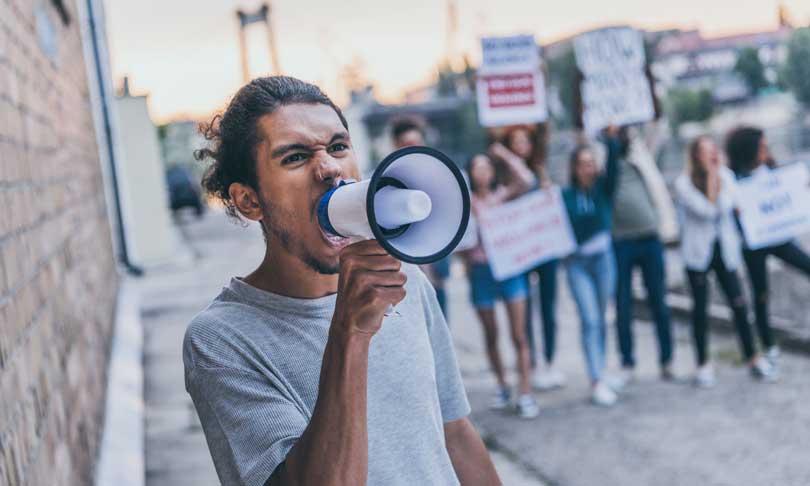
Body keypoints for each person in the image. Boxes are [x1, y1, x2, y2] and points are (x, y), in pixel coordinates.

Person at [183, 76, 499, 485]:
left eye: (337, 147)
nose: (329, 168)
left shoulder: (407, 283)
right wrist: (350, 332)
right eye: (295, 157)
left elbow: (454, 433)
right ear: (250, 200)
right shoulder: (221, 340)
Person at [675, 135, 777, 387]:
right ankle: (703, 364)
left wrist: (719, 178)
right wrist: (712, 177)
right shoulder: (684, 183)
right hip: (698, 254)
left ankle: (752, 357)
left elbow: (736, 204)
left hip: (725, 251)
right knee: (700, 310)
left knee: (739, 305)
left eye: (713, 150)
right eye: (705, 151)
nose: (711, 155)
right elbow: (710, 210)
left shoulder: (727, 177)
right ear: (695, 156)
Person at [462, 144, 539, 419]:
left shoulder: (504, 196)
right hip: (481, 272)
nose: (482, 172)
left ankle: (526, 392)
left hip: (510, 270)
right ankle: (503, 385)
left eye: (486, 166)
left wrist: (503, 153)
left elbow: (528, 180)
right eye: (476, 168)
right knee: (491, 333)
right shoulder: (466, 202)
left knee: (519, 335)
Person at [726, 126, 810, 368]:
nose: (765, 150)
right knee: (760, 294)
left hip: (779, 237)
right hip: (754, 244)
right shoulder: (735, 179)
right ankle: (768, 344)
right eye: (761, 147)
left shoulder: (771, 170)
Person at [603, 124, 677, 385]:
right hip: (621, 242)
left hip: (649, 238)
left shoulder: (642, 154)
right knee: (623, 304)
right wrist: (610, 142)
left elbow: (657, 121)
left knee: (659, 301)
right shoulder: (603, 160)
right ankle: (627, 362)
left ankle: (667, 360)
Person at [500, 124, 566, 390]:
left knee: (549, 306)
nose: (521, 146)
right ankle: (532, 363)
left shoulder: (541, 171)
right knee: (524, 311)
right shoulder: (506, 177)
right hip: (520, 253)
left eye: (525, 141)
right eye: (515, 141)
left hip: (544, 249)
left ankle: (549, 361)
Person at [561, 145, 620, 405]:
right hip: (578, 263)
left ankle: (603, 371)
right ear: (574, 168)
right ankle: (596, 378)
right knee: (590, 318)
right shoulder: (565, 196)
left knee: (602, 318)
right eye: (583, 163)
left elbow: (614, 170)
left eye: (592, 162)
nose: (589, 168)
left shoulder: (602, 190)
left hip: (603, 260)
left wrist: (612, 142)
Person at [390, 117, 452, 319]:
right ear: (396, 146)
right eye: (407, 145)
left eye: (416, 143)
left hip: (436, 266)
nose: (413, 148)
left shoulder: (438, 174)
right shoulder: (390, 178)